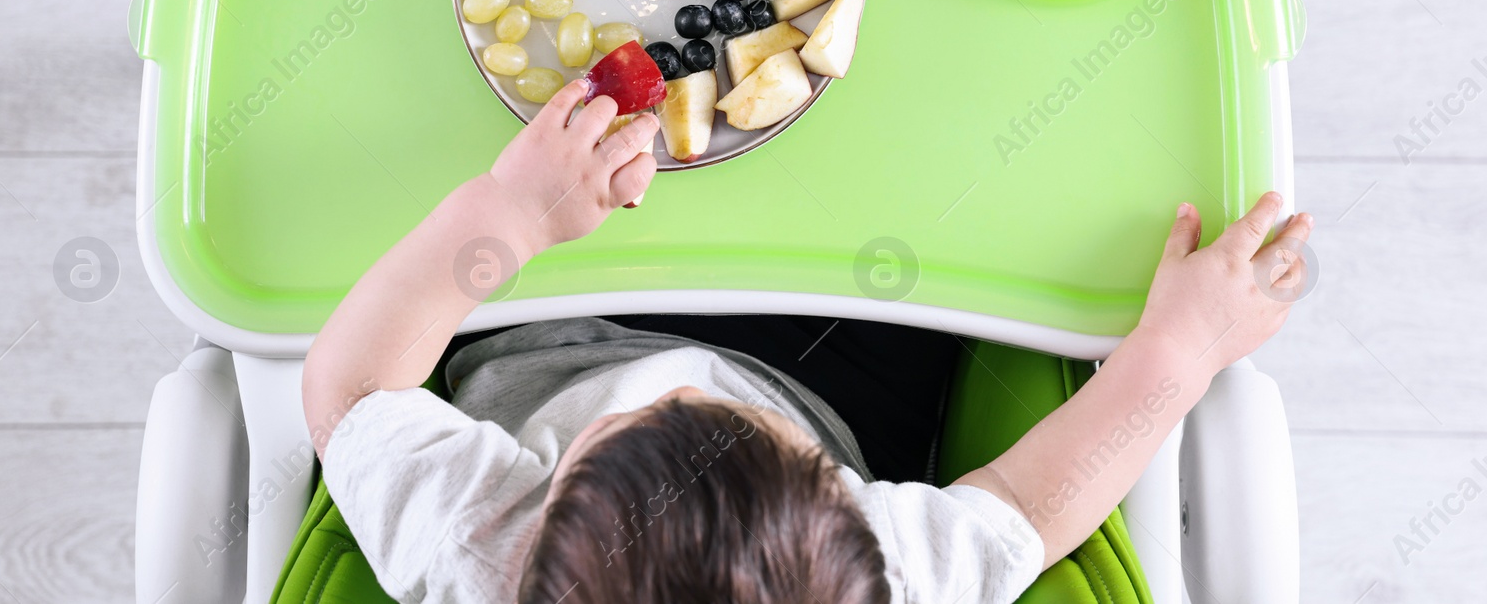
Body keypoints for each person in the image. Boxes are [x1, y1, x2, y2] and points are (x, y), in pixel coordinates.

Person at [303, 80, 1311, 604]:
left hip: (548, 334)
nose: (668, 389)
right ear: (846, 508)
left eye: (641, 423)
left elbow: (348, 387)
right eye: (706, 423)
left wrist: (512, 213)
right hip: (818, 369)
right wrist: (1180, 350)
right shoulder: (875, 571)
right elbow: (1027, 503)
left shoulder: (474, 548)